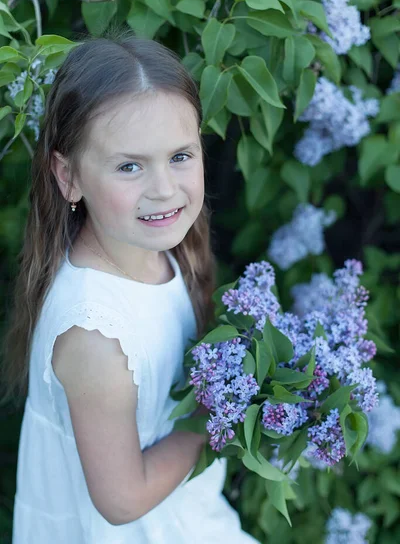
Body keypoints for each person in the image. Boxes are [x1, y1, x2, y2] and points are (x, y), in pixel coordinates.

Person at [2, 30, 260, 543]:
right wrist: (220, 414)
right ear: (68, 176)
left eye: (180, 156)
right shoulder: (97, 337)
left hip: (183, 519)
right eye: (129, 166)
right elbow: (120, 499)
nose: (163, 188)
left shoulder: (156, 251)